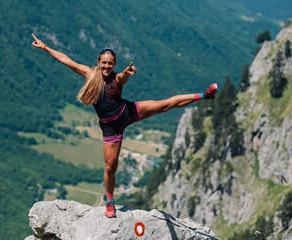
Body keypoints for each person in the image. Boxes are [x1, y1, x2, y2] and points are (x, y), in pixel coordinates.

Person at [31, 33, 218, 218]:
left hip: (127, 112)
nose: (106, 66)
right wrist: (45, 47)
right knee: (111, 166)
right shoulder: (90, 74)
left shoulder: (116, 78)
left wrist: (127, 74)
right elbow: (67, 60)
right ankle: (110, 202)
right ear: (98, 62)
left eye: (110, 63)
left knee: (164, 105)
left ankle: (204, 95)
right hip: (110, 128)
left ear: (114, 65)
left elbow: (122, 78)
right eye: (103, 62)